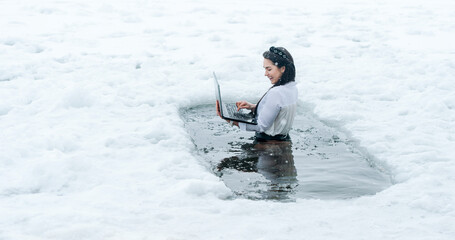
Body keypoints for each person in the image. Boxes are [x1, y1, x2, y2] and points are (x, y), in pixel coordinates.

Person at [216, 46, 298, 142]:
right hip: (283, 142)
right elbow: (279, 111)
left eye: (269, 69)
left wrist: (231, 121)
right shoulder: (291, 88)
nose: (266, 74)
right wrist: (253, 107)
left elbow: (260, 126)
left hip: (268, 146)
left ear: (283, 68)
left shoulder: (276, 92)